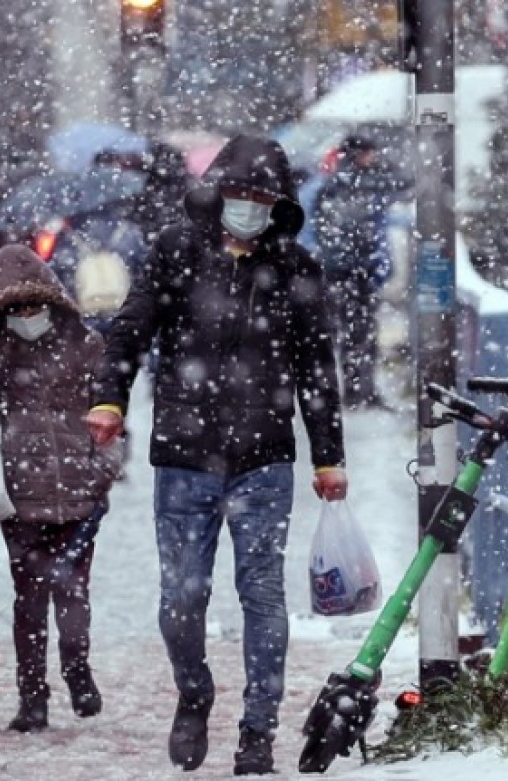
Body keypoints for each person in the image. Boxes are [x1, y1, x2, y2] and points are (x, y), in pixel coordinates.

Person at [87, 134, 349, 776]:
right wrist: (109, 401)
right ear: (219, 193)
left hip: (265, 458)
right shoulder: (176, 252)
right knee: (180, 601)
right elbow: (132, 327)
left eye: (262, 197)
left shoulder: (296, 270)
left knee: (261, 593)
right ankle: (194, 691)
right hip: (183, 456)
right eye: (240, 194)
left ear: (278, 203)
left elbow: (317, 369)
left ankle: (258, 730)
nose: (249, 207)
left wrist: (328, 456)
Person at [0, 244, 122, 733]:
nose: (26, 316)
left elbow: (112, 414)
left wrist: (100, 473)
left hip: (79, 493)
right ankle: (31, 695)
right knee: (29, 598)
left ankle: (77, 669)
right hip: (20, 497)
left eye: (33, 306)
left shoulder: (86, 345)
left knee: (73, 591)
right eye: (14, 309)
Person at [311, 133, 409, 407]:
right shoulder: (353, 185)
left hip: (346, 271)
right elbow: (359, 227)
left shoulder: (334, 185)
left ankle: (358, 390)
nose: (373, 158)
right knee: (359, 333)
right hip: (353, 272)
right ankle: (360, 391)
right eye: (369, 153)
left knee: (353, 332)